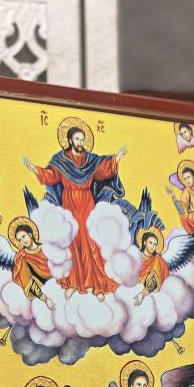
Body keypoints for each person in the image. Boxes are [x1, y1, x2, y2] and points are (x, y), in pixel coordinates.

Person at [23, 121, 127, 298]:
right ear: (70, 140)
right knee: (71, 241)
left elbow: (102, 169)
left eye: (82, 139)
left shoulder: (90, 160)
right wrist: (35, 169)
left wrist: (116, 159)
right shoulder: (60, 160)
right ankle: (72, 282)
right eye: (77, 139)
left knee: (90, 241)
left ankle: (98, 285)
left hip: (87, 202)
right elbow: (52, 176)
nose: (80, 142)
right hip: (69, 203)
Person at [10, 221, 55, 309]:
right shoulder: (23, 257)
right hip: (46, 293)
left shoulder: (46, 247)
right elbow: (28, 283)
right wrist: (46, 299)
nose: (23, 241)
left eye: (23, 236)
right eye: (19, 240)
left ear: (30, 234)